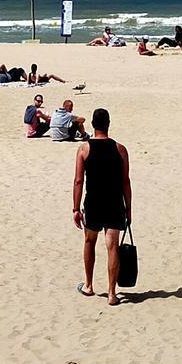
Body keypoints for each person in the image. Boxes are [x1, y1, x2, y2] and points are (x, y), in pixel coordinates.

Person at [72, 108, 131, 304]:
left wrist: (75, 208)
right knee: (112, 246)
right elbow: (125, 181)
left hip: (93, 202)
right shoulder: (120, 149)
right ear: (108, 124)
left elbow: (78, 181)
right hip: (115, 202)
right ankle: (112, 293)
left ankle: (89, 285)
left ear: (92, 124)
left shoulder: (84, 149)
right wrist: (129, 208)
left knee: (89, 241)